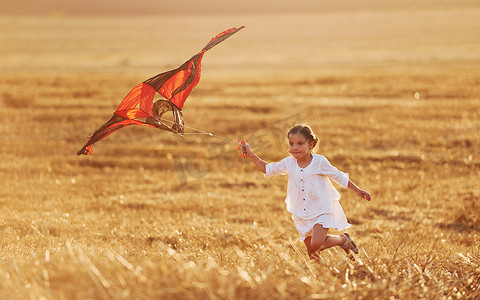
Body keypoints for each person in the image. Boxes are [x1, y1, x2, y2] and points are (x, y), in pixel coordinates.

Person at [239, 124, 371, 260]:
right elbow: (267, 169)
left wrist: (357, 189)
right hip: (301, 213)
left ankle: (343, 240)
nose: (295, 148)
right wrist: (250, 154)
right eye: (291, 144)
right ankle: (319, 276)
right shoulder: (288, 163)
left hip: (321, 209)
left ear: (311, 144)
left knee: (316, 243)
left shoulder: (319, 162)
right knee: (312, 253)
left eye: (300, 143)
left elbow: (338, 176)